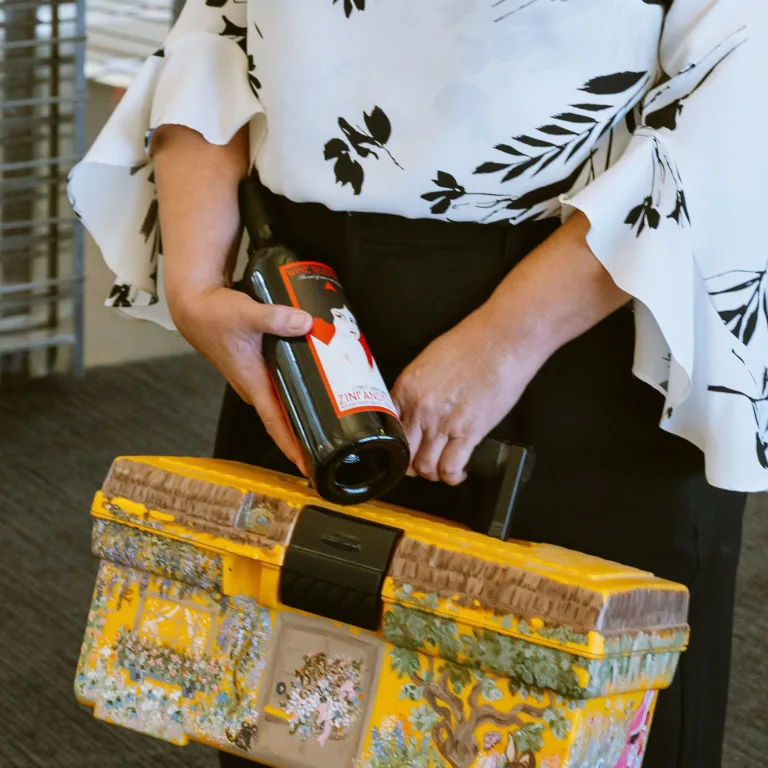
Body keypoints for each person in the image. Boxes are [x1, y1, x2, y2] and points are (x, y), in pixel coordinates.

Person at [68, 1, 766, 766]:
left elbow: (741, 94)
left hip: (593, 307)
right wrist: (196, 284)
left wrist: (509, 337)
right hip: (313, 303)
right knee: (294, 715)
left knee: (564, 716)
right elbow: (218, 26)